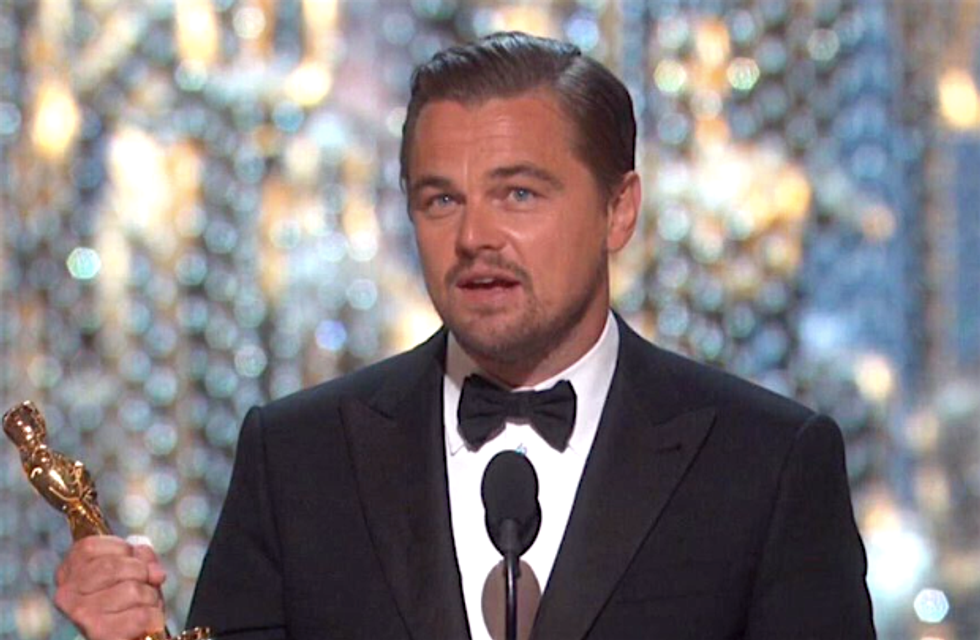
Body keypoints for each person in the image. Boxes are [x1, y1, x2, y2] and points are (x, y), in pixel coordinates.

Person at [53, 31, 876, 640]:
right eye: (441, 200)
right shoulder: (297, 458)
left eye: (519, 194)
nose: (476, 236)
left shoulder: (766, 464)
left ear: (618, 209)